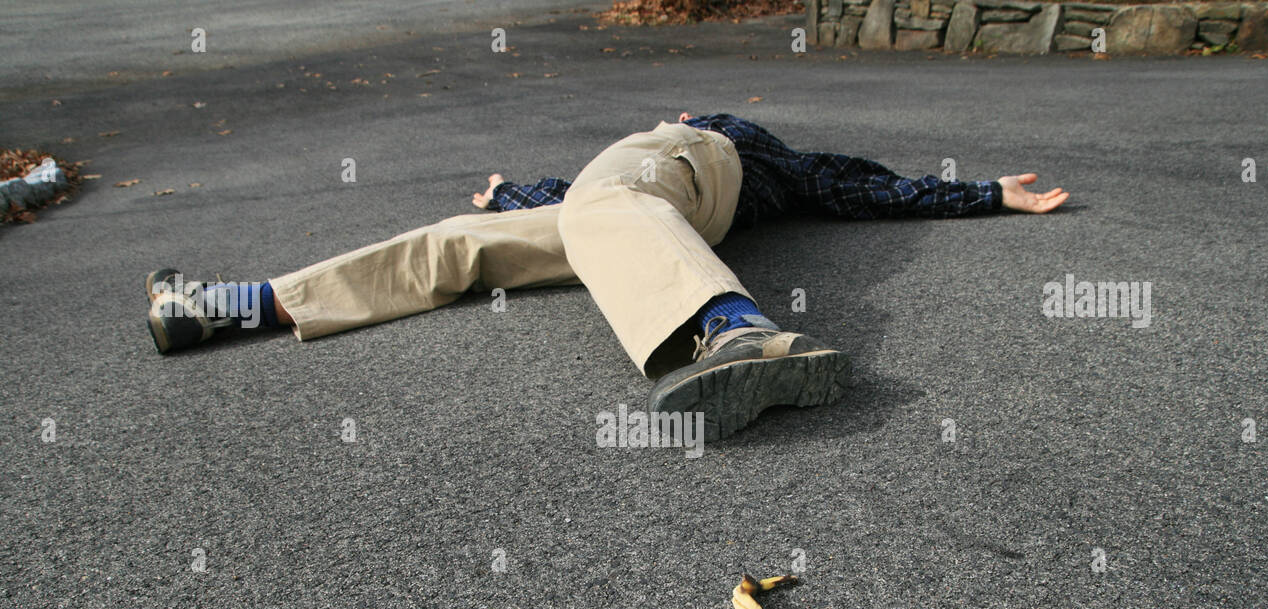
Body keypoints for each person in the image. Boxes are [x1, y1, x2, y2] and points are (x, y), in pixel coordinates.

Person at [145, 111, 1068, 439]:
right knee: (465, 243)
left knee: (602, 203)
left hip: (679, 171)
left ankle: (739, 331)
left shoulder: (716, 138)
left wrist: (984, 192)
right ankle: (233, 305)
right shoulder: (614, 191)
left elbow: (865, 188)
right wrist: (513, 194)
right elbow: (585, 200)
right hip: (635, 206)